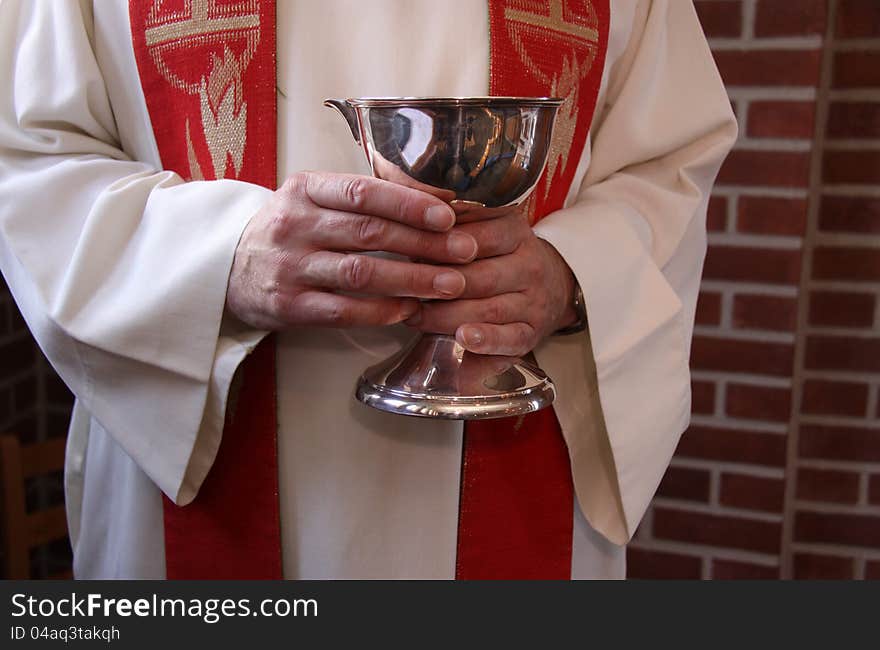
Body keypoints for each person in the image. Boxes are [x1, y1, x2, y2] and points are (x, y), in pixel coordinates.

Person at [0, 0, 737, 579]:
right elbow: (24, 153)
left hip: (514, 447)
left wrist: (571, 274)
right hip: (204, 485)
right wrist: (220, 257)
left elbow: (669, 160)